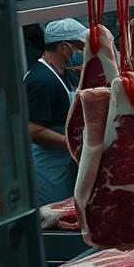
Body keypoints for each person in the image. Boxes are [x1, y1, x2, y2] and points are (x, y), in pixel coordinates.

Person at [24, 18, 86, 205]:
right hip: (48, 165)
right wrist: (75, 145)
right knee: (54, 217)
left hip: (64, 159)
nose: (83, 52)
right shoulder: (42, 81)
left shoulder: (65, 73)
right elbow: (32, 130)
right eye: (81, 47)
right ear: (65, 48)